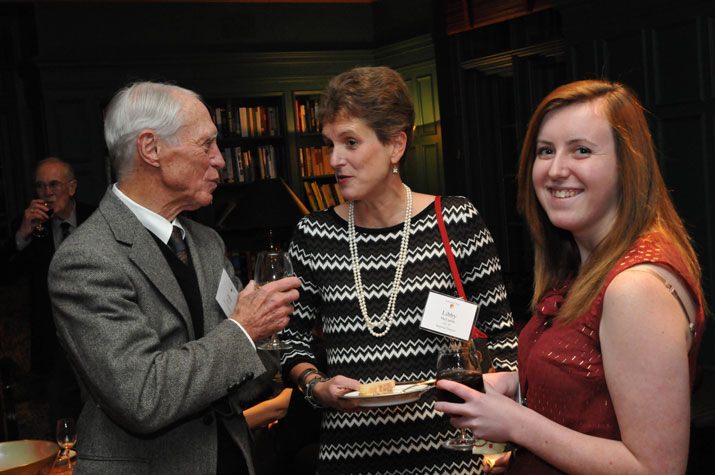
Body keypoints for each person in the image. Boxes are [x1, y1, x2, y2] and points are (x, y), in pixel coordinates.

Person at [435, 79, 707, 474]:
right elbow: (591, 388)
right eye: (545, 151)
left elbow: (655, 468)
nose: (556, 170)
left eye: (581, 150)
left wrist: (515, 423)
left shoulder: (635, 287)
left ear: (627, 165)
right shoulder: (585, 264)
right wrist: (517, 385)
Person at [47, 81, 301, 474]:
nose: (220, 160)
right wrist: (246, 329)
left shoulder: (207, 243)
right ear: (151, 149)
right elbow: (142, 397)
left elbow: (240, 374)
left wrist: (275, 342)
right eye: (206, 145)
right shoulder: (85, 260)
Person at [280, 66, 517, 474]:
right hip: (348, 457)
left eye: (351, 142)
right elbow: (289, 342)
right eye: (330, 144)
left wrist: (496, 423)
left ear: (396, 145)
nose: (335, 160)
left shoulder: (456, 221)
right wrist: (317, 386)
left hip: (450, 458)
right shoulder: (313, 234)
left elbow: (503, 338)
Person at [0, 157, 95, 432]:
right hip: (55, 341)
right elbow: (6, 276)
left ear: (72, 188)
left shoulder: (95, 217)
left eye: (54, 184)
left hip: (96, 328)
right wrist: (22, 235)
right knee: (63, 414)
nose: (47, 193)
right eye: (40, 187)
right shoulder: (33, 228)